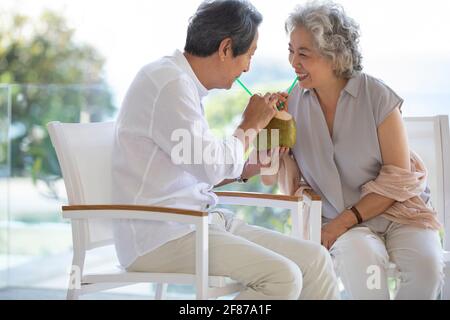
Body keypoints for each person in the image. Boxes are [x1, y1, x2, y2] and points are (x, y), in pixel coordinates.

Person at [111, 0, 340, 300]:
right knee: (281, 278)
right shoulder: (169, 84)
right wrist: (249, 124)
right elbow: (212, 166)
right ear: (225, 48)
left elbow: (199, 168)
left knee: (316, 261)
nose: (247, 67)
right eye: (249, 55)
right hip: (162, 235)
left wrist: (248, 168)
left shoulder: (182, 85)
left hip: (198, 222)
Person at [263, 1, 444, 300]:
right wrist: (267, 132)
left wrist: (342, 223)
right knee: (362, 265)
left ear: (334, 55)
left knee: (427, 267)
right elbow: (270, 179)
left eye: (304, 53)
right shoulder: (290, 105)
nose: (293, 62)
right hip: (340, 225)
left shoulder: (377, 96)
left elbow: (398, 178)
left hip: (398, 214)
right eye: (291, 51)